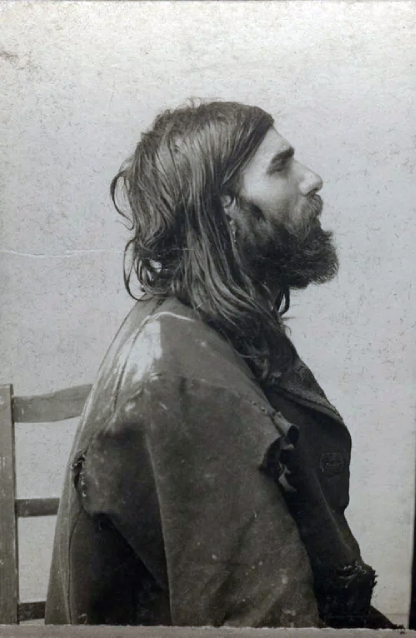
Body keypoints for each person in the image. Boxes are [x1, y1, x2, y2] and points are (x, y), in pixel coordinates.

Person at [46, 101, 395, 628]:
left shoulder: (203, 333)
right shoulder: (190, 378)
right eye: (280, 167)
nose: (312, 179)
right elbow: (265, 623)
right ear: (224, 208)